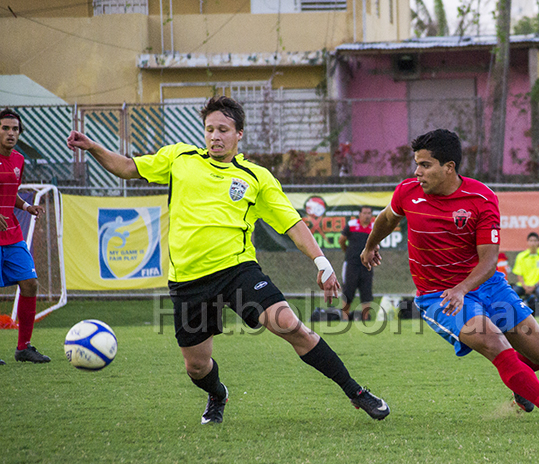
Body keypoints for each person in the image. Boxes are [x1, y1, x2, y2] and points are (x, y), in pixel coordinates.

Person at [66, 97, 389, 424]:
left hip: (238, 272)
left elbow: (293, 223)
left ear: (239, 134)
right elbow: (128, 168)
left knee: (290, 325)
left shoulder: (255, 177)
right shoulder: (181, 158)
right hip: (189, 280)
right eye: (209, 129)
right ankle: (217, 394)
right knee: (196, 366)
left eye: (223, 129)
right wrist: (94, 147)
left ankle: (356, 392)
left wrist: (322, 263)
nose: (215, 136)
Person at [359, 129, 539, 430]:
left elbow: (489, 261)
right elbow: (388, 218)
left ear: (449, 167)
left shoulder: (481, 199)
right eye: (416, 164)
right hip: (439, 296)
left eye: (425, 165)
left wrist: (463, 288)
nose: (417, 172)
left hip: (485, 286)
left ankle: (523, 388)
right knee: (495, 343)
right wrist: (371, 244)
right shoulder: (407, 192)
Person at [0, 109, 49, 364]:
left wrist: (26, 207)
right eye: (5, 128)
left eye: (15, 129)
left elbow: (10, 193)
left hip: (12, 233)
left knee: (30, 283)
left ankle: (24, 347)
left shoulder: (18, 160)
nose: (11, 133)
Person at [339, 206, 375, 321]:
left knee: (366, 292)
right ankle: (344, 317)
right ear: (359, 214)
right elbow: (341, 240)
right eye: (364, 213)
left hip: (367, 265)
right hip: (352, 264)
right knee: (348, 290)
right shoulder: (352, 224)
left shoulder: (374, 227)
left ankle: (366, 318)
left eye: (369, 213)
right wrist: (348, 252)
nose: (367, 215)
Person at [511, 232, 539, 307]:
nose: (533, 243)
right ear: (527, 243)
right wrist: (525, 286)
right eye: (531, 241)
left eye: (535, 241)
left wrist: (535, 286)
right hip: (524, 285)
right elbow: (519, 275)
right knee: (513, 292)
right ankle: (516, 311)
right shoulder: (521, 256)